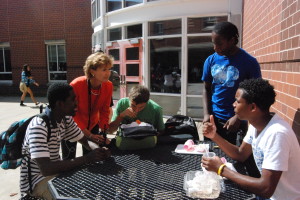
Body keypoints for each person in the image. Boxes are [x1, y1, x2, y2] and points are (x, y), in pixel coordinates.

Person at [201, 78, 300, 200]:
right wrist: (214, 136)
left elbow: (266, 188)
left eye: (237, 101)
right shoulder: (257, 123)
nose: (233, 104)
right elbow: (240, 154)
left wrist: (221, 169)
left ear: (252, 107)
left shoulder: (277, 134)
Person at [20, 82, 111, 199]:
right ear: (60, 104)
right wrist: (86, 158)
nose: (77, 103)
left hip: (56, 174)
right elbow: (46, 169)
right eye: (73, 100)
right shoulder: (39, 127)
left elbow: (85, 141)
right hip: (36, 181)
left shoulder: (65, 119)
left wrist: (98, 151)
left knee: (94, 184)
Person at [202, 21, 261, 145]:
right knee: (210, 157)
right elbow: (206, 89)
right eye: (214, 43)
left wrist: (238, 118)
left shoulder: (249, 62)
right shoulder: (210, 60)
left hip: (236, 123)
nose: (215, 48)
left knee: (235, 161)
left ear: (233, 40)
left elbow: (255, 94)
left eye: (220, 44)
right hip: (214, 120)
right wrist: (207, 114)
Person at [61, 52, 113, 160]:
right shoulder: (76, 84)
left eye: (109, 69)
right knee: (69, 160)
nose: (108, 73)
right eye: (104, 70)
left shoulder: (108, 85)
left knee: (92, 159)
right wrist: (88, 134)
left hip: (93, 124)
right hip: (70, 126)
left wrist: (103, 133)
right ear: (92, 70)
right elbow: (70, 113)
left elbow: (105, 110)